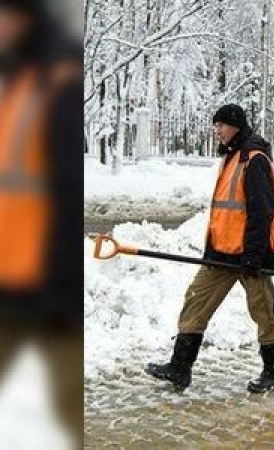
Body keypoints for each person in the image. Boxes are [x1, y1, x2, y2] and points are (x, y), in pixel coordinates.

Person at [146, 104, 274, 394]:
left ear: (235, 126)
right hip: (222, 254)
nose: (217, 131)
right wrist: (212, 247)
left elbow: (262, 211)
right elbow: (225, 213)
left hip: (251, 256)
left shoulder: (254, 158)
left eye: (221, 125)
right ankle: (179, 368)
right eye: (216, 126)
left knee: (263, 311)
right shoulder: (232, 157)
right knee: (196, 300)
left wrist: (253, 255)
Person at [0, 0, 83, 446]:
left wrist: (59, 288)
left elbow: (68, 195)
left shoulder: (59, 84)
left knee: (69, 404)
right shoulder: (19, 83)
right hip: (11, 272)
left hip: (47, 283)